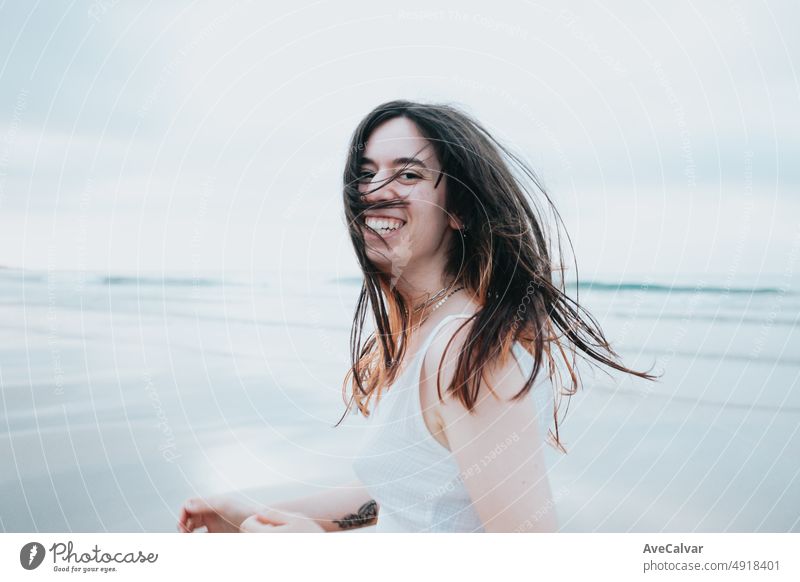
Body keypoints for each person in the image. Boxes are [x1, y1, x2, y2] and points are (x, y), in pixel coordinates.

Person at [178, 100, 657, 533]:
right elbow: (405, 495)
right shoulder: (427, 335)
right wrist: (250, 515)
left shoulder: (464, 350)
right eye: (367, 174)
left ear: (460, 210)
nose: (375, 191)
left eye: (407, 174)